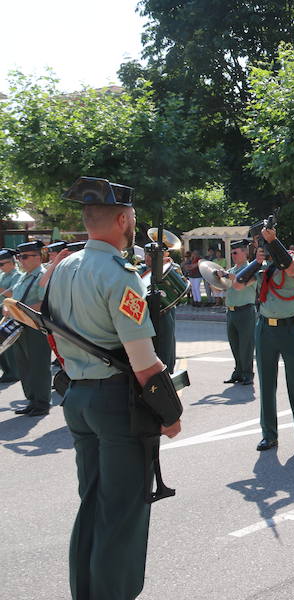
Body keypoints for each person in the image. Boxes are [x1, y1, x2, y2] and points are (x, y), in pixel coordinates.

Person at [47, 176, 182, 600]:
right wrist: (171, 414)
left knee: (92, 502)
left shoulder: (62, 267)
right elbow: (144, 363)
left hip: (78, 398)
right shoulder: (120, 274)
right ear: (122, 219)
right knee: (122, 512)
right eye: (133, 220)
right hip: (114, 403)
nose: (133, 226)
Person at [251, 228, 294, 454]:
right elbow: (238, 285)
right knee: (267, 385)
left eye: (265, 244)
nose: (263, 248)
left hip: (289, 328)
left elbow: (292, 270)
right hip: (264, 329)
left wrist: (274, 242)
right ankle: (269, 435)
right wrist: (256, 262)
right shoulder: (261, 264)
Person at [8, 240, 51, 416]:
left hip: (34, 327)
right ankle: (32, 400)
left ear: (38, 257)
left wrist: (21, 311)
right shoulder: (23, 276)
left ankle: (41, 403)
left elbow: (45, 302)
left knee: (38, 366)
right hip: (20, 326)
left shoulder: (42, 276)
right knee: (24, 366)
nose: (21, 260)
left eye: (25, 257)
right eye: (19, 257)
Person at [218, 240, 257, 385]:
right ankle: (238, 372)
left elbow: (241, 279)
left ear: (245, 253)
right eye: (232, 253)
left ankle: (248, 374)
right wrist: (214, 277)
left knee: (246, 345)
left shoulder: (251, 269)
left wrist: (226, 275)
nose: (233, 255)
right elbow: (219, 289)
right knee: (234, 344)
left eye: (235, 252)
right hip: (231, 312)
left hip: (245, 311)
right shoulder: (232, 270)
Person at [141, 249, 178, 373]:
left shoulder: (167, 267)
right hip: (148, 314)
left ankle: (166, 372)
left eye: (151, 255)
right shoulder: (140, 269)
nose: (147, 258)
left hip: (165, 312)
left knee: (165, 345)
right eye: (146, 255)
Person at [0, 248, 22, 383]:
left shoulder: (17, 275)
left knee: (9, 345)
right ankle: (7, 371)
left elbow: (14, 295)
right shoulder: (2, 275)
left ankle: (14, 372)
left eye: (2, 264)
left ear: (12, 262)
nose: (0, 267)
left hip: (8, 311)